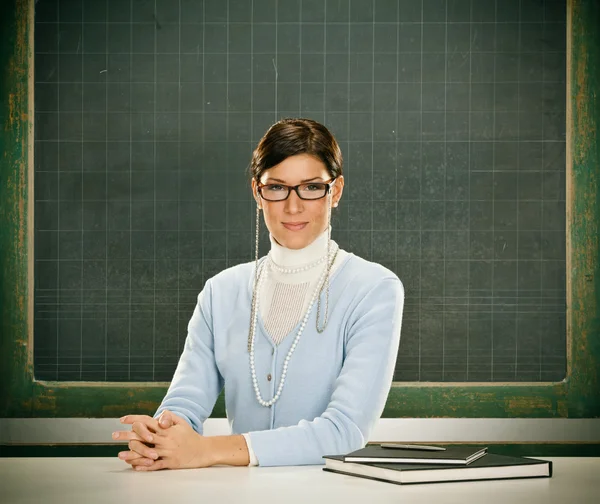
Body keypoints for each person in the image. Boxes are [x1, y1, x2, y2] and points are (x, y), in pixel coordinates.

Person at [112, 118, 405, 470]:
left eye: (312, 187)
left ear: (336, 191)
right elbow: (185, 406)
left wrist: (207, 450)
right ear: (257, 192)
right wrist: (159, 436)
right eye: (277, 188)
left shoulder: (373, 289)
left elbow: (345, 430)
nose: (293, 207)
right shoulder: (220, 292)